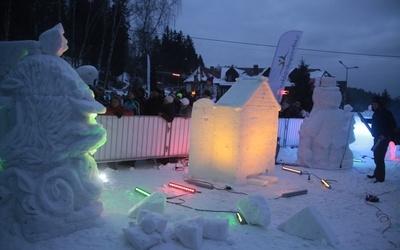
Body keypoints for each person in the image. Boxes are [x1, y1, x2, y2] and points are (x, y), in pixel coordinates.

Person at [367, 96, 396, 183]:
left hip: (383, 138)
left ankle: (380, 178)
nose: (374, 105)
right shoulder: (376, 113)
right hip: (377, 137)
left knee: (380, 157)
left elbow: (392, 125)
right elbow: (376, 121)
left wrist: (384, 135)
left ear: (380, 104)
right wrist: (365, 120)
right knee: (376, 156)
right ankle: (377, 174)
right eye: (373, 104)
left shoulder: (385, 112)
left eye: (376, 104)